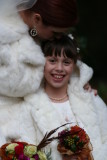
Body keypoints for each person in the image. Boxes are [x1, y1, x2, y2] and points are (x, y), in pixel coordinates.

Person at [0, 0, 96, 148]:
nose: (59, 37)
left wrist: (78, 81)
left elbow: (63, 57)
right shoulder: (4, 37)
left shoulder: (36, 31)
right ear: (37, 19)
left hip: (37, 117)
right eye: (56, 33)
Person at [24, 35, 107, 160]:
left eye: (66, 62)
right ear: (42, 62)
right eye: (52, 61)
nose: (59, 68)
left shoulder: (91, 99)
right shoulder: (28, 106)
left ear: (74, 65)